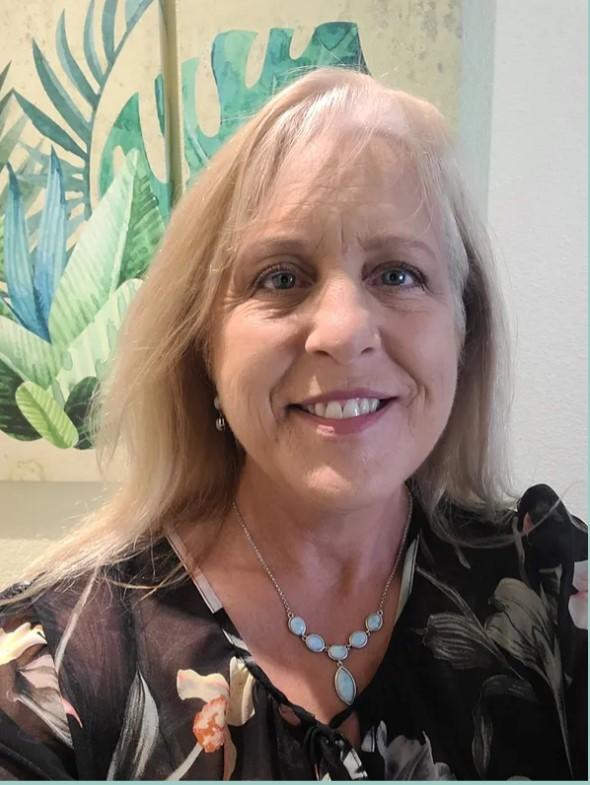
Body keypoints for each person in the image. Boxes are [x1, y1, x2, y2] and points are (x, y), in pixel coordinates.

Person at [0, 67, 586, 781]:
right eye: (281, 277)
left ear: (465, 331)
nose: (344, 331)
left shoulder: (554, 584)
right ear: (204, 349)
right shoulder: (46, 670)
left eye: (398, 273)